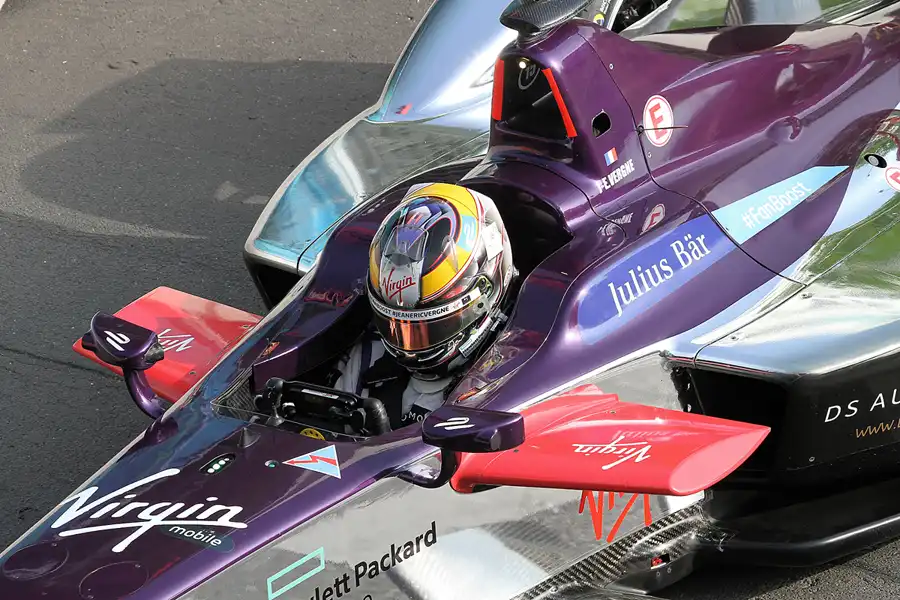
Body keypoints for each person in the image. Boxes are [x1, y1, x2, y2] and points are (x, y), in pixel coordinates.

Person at [330, 182, 516, 428]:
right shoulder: (367, 359)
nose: (409, 349)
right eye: (394, 325)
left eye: (432, 327)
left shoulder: (508, 377)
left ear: (483, 298)